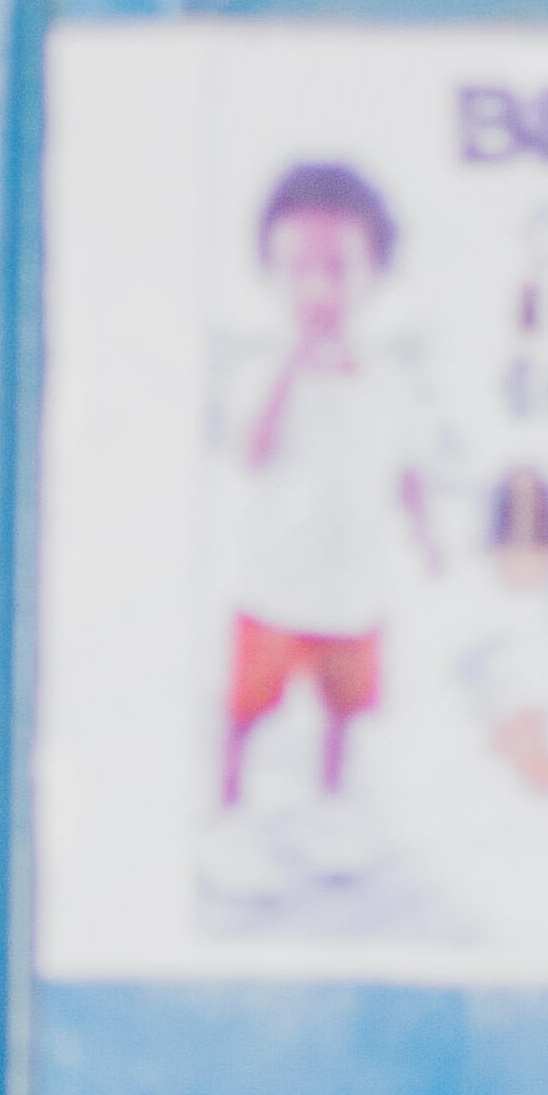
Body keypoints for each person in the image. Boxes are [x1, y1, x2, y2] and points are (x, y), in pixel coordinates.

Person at [215, 161, 446, 809]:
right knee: (247, 708)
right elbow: (251, 452)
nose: (317, 287)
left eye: (337, 268)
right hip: (272, 584)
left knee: (342, 708)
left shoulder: (386, 378)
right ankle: (227, 800)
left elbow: (403, 464)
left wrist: (425, 535)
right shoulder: (265, 368)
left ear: (374, 273)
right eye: (298, 270)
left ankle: (331, 800)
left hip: (351, 589)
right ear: (273, 275)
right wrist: (292, 361)